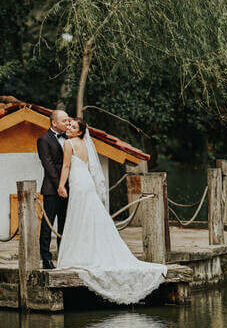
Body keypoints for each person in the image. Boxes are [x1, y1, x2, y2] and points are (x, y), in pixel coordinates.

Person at [56, 117, 167, 305]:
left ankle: (81, 254)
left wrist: (61, 185)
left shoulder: (68, 143)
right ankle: (92, 251)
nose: (69, 128)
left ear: (80, 132)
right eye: (70, 125)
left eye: (73, 127)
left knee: (79, 217)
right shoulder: (85, 143)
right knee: (89, 216)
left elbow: (66, 166)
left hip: (77, 182)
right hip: (87, 182)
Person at [36, 109, 70, 269]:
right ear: (54, 123)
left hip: (70, 188)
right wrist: (60, 186)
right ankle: (46, 258)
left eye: (68, 120)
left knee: (65, 224)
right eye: (64, 121)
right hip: (52, 189)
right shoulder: (43, 140)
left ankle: (64, 256)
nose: (67, 123)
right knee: (48, 224)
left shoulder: (70, 138)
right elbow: (48, 165)